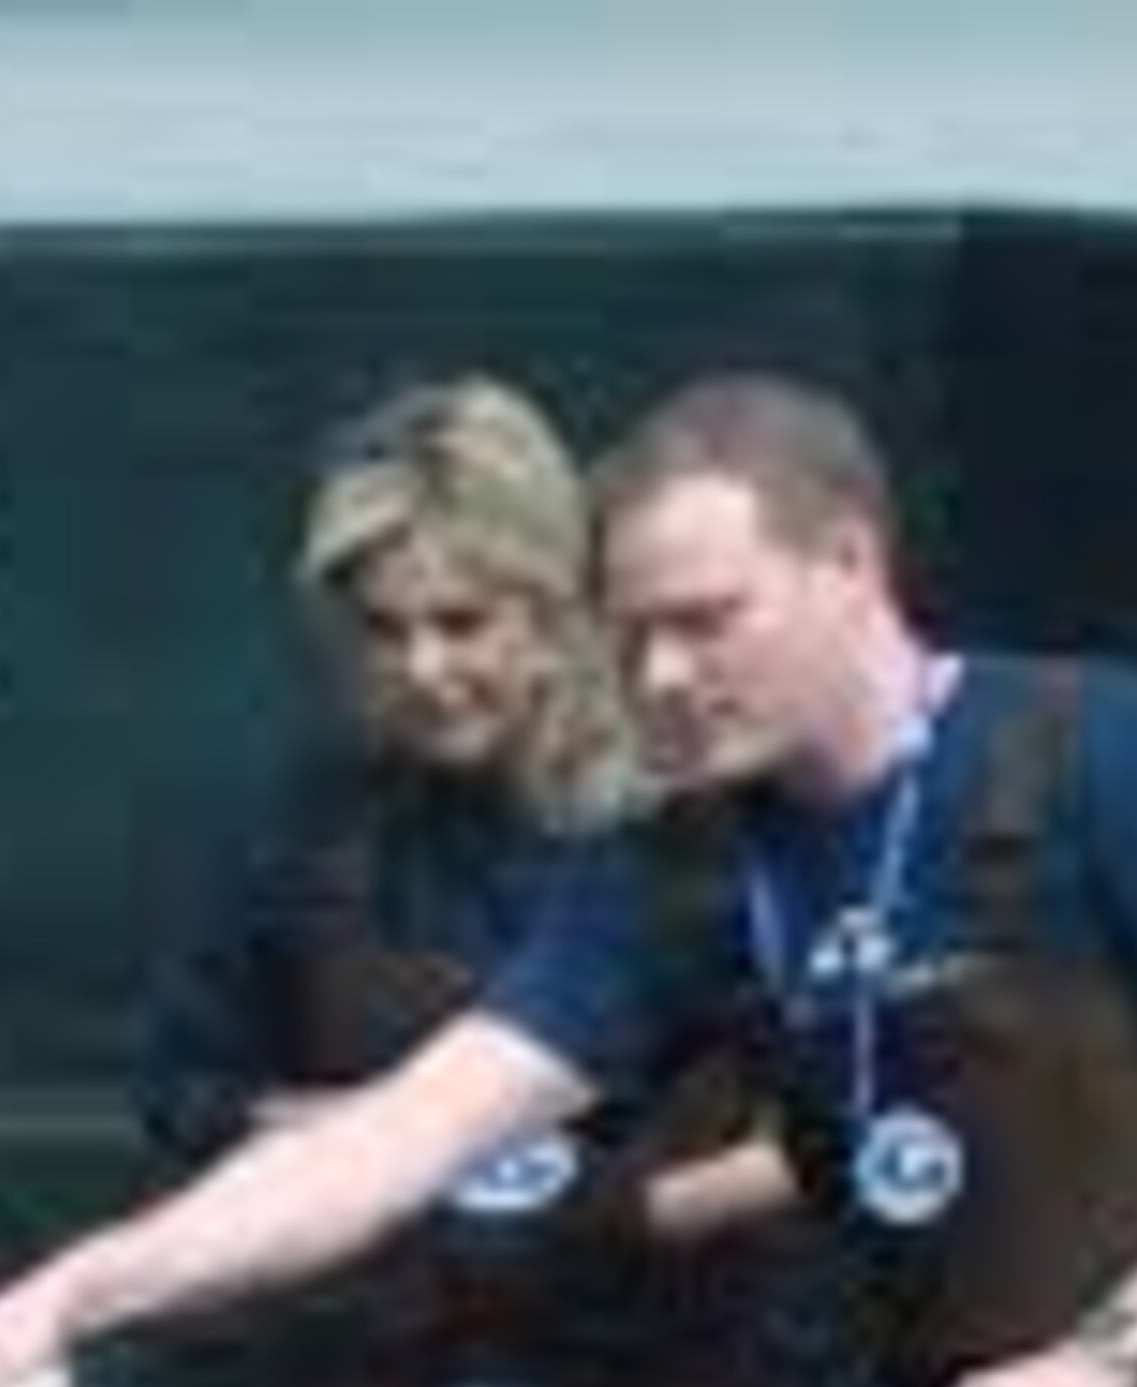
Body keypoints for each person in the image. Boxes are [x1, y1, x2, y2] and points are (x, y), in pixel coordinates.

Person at [0, 371, 1137, 1387]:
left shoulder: (1110, 755)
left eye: (710, 620)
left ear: (851, 564)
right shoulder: (675, 874)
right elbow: (389, 1146)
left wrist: (1109, 1360)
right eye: (634, 637)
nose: (665, 677)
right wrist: (72, 1294)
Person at [135, 376, 785, 1309]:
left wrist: (628, 1213)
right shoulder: (313, 828)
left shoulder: (706, 822)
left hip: (675, 1330)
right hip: (386, 1326)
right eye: (383, 632)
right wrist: (362, 1138)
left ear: (557, 614)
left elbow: (856, 1116)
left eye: (461, 624)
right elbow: (180, 1087)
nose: (423, 670)